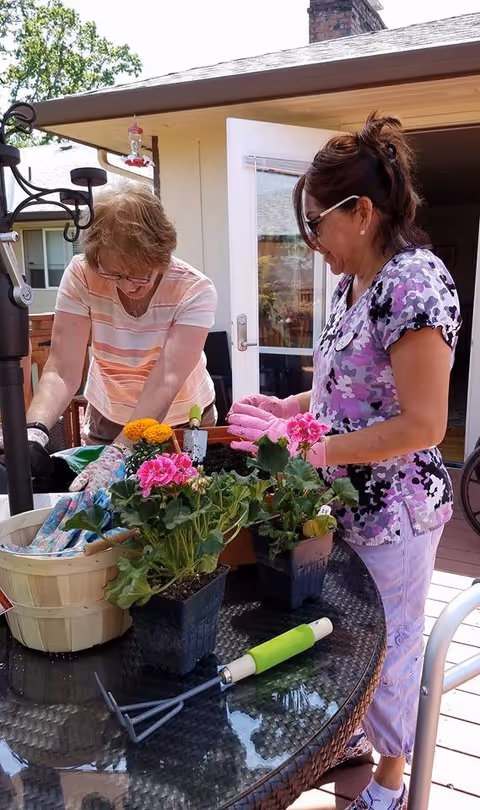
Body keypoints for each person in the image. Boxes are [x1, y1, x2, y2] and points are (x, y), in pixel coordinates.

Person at [228, 113, 461, 810]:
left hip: (396, 513)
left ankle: (391, 785)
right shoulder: (352, 282)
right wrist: (291, 410)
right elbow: (346, 386)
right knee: (356, 639)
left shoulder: (414, 283)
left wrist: (317, 447)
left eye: (313, 225)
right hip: (346, 503)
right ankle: (358, 742)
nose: (310, 242)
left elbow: (424, 424)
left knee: (393, 647)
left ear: (360, 212)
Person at [22, 180, 217, 493]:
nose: (128, 285)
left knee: (180, 510)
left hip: (183, 419)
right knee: (103, 509)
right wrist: (35, 430)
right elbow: (61, 368)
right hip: (109, 412)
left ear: (162, 254)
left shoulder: (194, 289)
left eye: (140, 274)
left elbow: (166, 379)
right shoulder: (83, 275)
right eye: (114, 274)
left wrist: (120, 451)